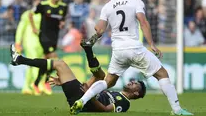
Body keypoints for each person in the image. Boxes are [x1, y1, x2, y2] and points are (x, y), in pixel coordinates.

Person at [70, 0, 193, 115]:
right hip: (134, 48)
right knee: (162, 74)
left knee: (108, 82)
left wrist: (93, 37)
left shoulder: (108, 6)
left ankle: (82, 101)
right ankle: (177, 110)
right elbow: (143, 22)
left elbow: (100, 30)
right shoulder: (136, 2)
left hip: (118, 50)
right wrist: (152, 44)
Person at [9, 40, 146, 113]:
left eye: (135, 84)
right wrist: (64, 82)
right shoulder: (116, 92)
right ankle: (88, 49)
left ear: (136, 92)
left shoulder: (124, 104)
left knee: (60, 64)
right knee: (101, 76)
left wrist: (89, 95)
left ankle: (20, 60)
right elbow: (92, 88)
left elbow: (105, 110)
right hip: (83, 94)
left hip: (83, 101)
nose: (132, 82)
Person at [30, 0, 68, 94]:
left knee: (46, 62)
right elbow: (30, 14)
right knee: (54, 59)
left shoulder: (64, 7)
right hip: (44, 36)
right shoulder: (43, 5)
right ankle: (46, 82)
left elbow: (62, 19)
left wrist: (62, 24)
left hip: (54, 37)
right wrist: (33, 28)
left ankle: (36, 83)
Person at [15, 0, 48, 95]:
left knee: (32, 64)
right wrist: (18, 42)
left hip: (41, 43)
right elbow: (20, 29)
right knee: (35, 62)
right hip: (29, 41)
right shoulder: (27, 14)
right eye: (36, 2)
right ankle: (38, 85)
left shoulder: (44, 15)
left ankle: (26, 87)